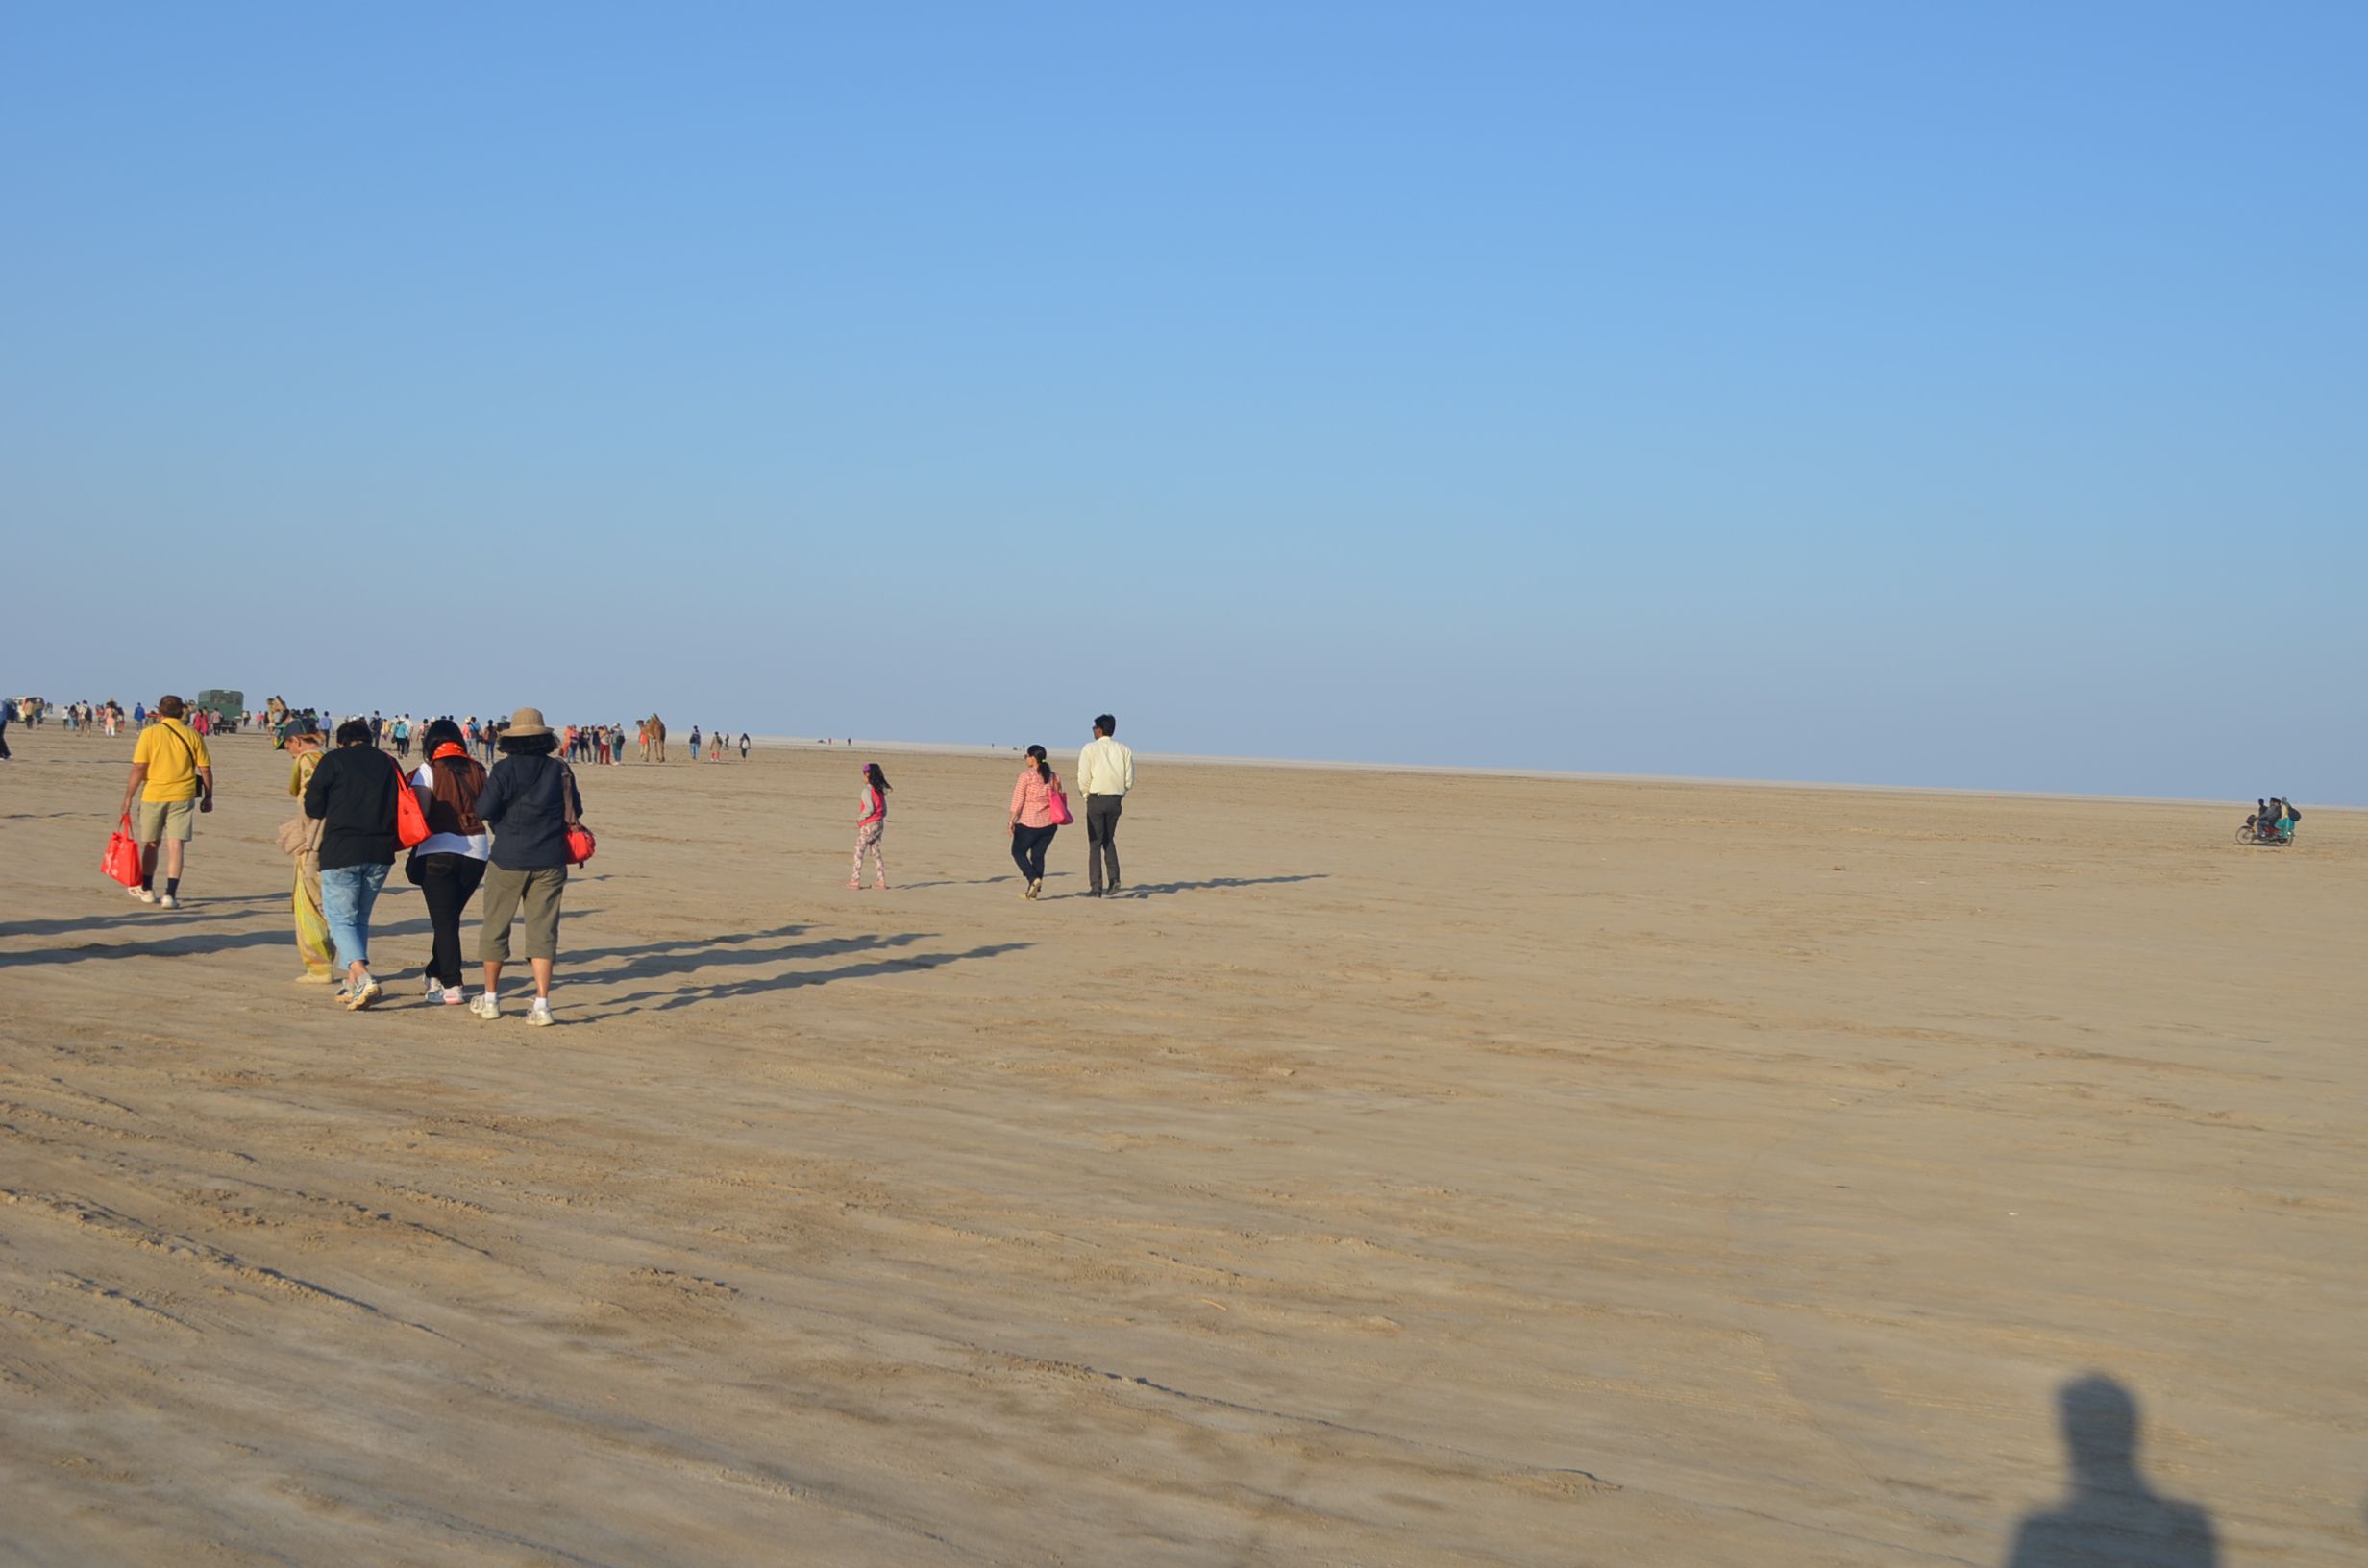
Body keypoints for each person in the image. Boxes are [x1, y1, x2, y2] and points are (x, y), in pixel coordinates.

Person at [472, 707, 580, 1027]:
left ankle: (491, 999)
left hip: (508, 857)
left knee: (495, 926)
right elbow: (576, 809)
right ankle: (542, 1003)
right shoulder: (560, 769)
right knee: (543, 931)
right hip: (550, 858)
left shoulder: (504, 770)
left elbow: (483, 809)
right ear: (545, 738)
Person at [304, 718, 402, 1010]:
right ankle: (351, 982)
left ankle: (362, 975)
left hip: (342, 849)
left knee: (339, 920)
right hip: (380, 850)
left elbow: (313, 806)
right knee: (358, 918)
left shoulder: (334, 760)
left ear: (342, 741)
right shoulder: (387, 762)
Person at [407, 719, 491, 1006]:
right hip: (476, 852)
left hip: (437, 851)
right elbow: (489, 809)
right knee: (448, 918)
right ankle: (434, 971)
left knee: (444, 921)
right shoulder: (480, 770)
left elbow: (421, 813)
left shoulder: (428, 771)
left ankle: (453, 984)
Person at [117, 696, 215, 909]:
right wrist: (208, 796)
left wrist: (128, 797)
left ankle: (148, 889)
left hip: (154, 794)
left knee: (152, 843)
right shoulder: (193, 735)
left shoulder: (149, 734)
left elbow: (139, 767)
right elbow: (205, 769)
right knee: (176, 845)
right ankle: (170, 894)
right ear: (181, 712)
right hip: (183, 794)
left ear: (159, 713)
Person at [281, 726, 337, 982]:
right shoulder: (327, 759)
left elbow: (309, 805)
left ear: (297, 741)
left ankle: (318, 966)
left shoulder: (306, 761)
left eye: (287, 744)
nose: (287, 750)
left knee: (308, 905)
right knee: (328, 904)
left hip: (313, 843)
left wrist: (304, 836)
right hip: (333, 841)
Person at [1075, 713, 1134, 897]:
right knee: (1108, 839)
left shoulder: (1090, 749)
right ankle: (1114, 878)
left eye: (1094, 728)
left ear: (1100, 729)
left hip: (1096, 798)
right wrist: (1121, 792)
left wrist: (1086, 795)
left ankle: (1096, 887)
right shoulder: (1124, 750)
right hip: (1115, 799)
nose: (1093, 731)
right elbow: (1129, 779)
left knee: (1095, 843)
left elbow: (1083, 776)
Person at [1008, 745, 1064, 899]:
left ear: (1033, 758)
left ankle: (1033, 879)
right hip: (1050, 824)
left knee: (1018, 852)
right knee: (1038, 856)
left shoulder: (1027, 776)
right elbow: (1059, 797)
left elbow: (1018, 799)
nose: (1026, 759)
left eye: (1026, 756)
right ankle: (1033, 892)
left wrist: (1011, 821)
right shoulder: (1054, 776)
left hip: (1028, 823)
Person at [849, 763, 890, 891]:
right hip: (879, 824)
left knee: (859, 851)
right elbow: (884, 811)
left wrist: (860, 819)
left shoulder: (867, 791)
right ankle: (881, 880)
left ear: (867, 775)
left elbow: (869, 809)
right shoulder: (879, 791)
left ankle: (855, 880)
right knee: (875, 851)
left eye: (864, 774)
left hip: (869, 824)